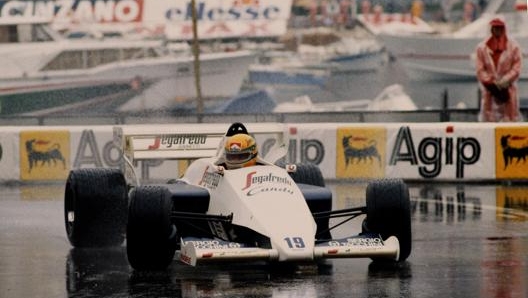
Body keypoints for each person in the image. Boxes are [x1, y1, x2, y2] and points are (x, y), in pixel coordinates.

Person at [475, 18, 522, 122]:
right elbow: (480, 69)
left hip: (508, 90)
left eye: (500, 27)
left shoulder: (513, 47)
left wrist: (505, 80)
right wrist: (491, 82)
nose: (497, 30)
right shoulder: (482, 48)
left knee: (509, 120)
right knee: (488, 121)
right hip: (489, 91)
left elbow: (517, 67)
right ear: (491, 29)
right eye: (495, 27)